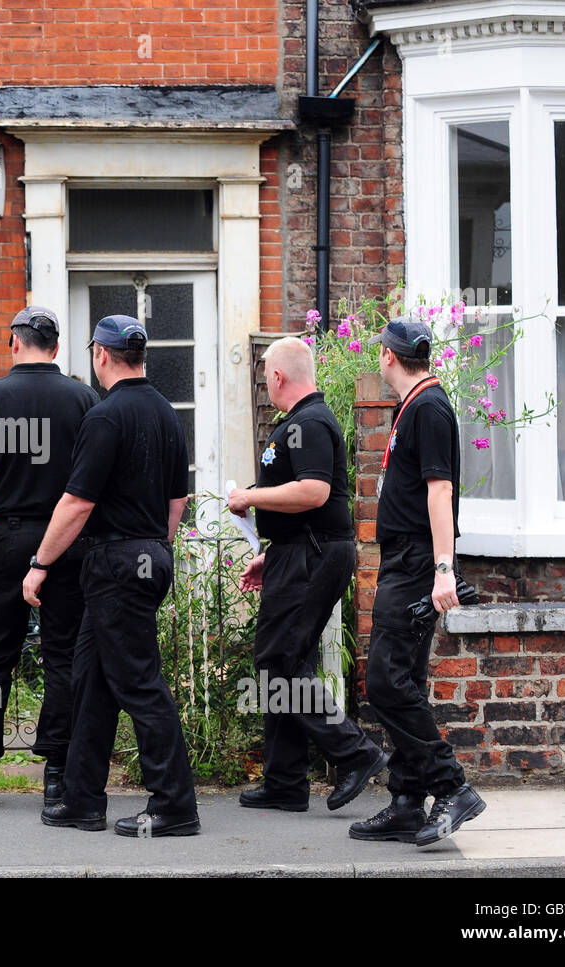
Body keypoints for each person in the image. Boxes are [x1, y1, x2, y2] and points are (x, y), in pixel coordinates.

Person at [23, 314, 199, 838]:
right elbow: (177, 500)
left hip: (115, 565)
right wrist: (154, 547)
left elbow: (77, 503)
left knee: (140, 685)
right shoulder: (167, 413)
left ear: (101, 355)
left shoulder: (105, 418)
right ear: (140, 356)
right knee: (92, 682)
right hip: (146, 557)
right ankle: (81, 800)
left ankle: (174, 806)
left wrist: (39, 565)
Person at [229, 337, 389, 813]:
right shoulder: (299, 423)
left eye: (266, 377)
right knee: (285, 659)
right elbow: (299, 496)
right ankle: (285, 781)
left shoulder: (312, 422)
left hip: (312, 556)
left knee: (277, 663)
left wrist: (251, 498)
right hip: (297, 553)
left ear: (278, 376)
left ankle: (357, 754)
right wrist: (272, 551)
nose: (266, 385)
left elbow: (315, 492)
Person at [0, 306, 99, 809]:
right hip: (66, 544)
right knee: (62, 658)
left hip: (7, 542)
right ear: (56, 348)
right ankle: (56, 774)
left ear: (14, 343)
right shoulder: (83, 398)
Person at [349, 316, 486, 846]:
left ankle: (453, 787)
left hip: (415, 564)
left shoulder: (428, 407)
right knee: (402, 678)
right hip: (406, 561)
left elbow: (439, 491)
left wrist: (443, 569)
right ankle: (407, 801)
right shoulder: (419, 404)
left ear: (387, 356)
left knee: (385, 681)